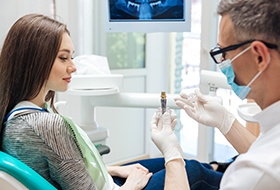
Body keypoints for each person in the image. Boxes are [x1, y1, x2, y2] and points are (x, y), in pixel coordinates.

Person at [0, 13, 224, 190]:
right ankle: (240, 177)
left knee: (182, 163)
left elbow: (64, 170)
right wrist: (132, 184)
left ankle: (221, 167)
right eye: (63, 57)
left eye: (72, 56)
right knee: (193, 170)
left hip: (105, 181)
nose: (73, 66)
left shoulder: (16, 114)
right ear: (34, 59)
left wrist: (114, 170)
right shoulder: (46, 125)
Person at [174, 0, 280, 189]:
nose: (222, 62)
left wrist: (172, 154)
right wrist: (226, 121)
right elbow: (262, 148)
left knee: (193, 171)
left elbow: (263, 164)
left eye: (224, 53)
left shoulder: (257, 173)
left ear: (259, 56)